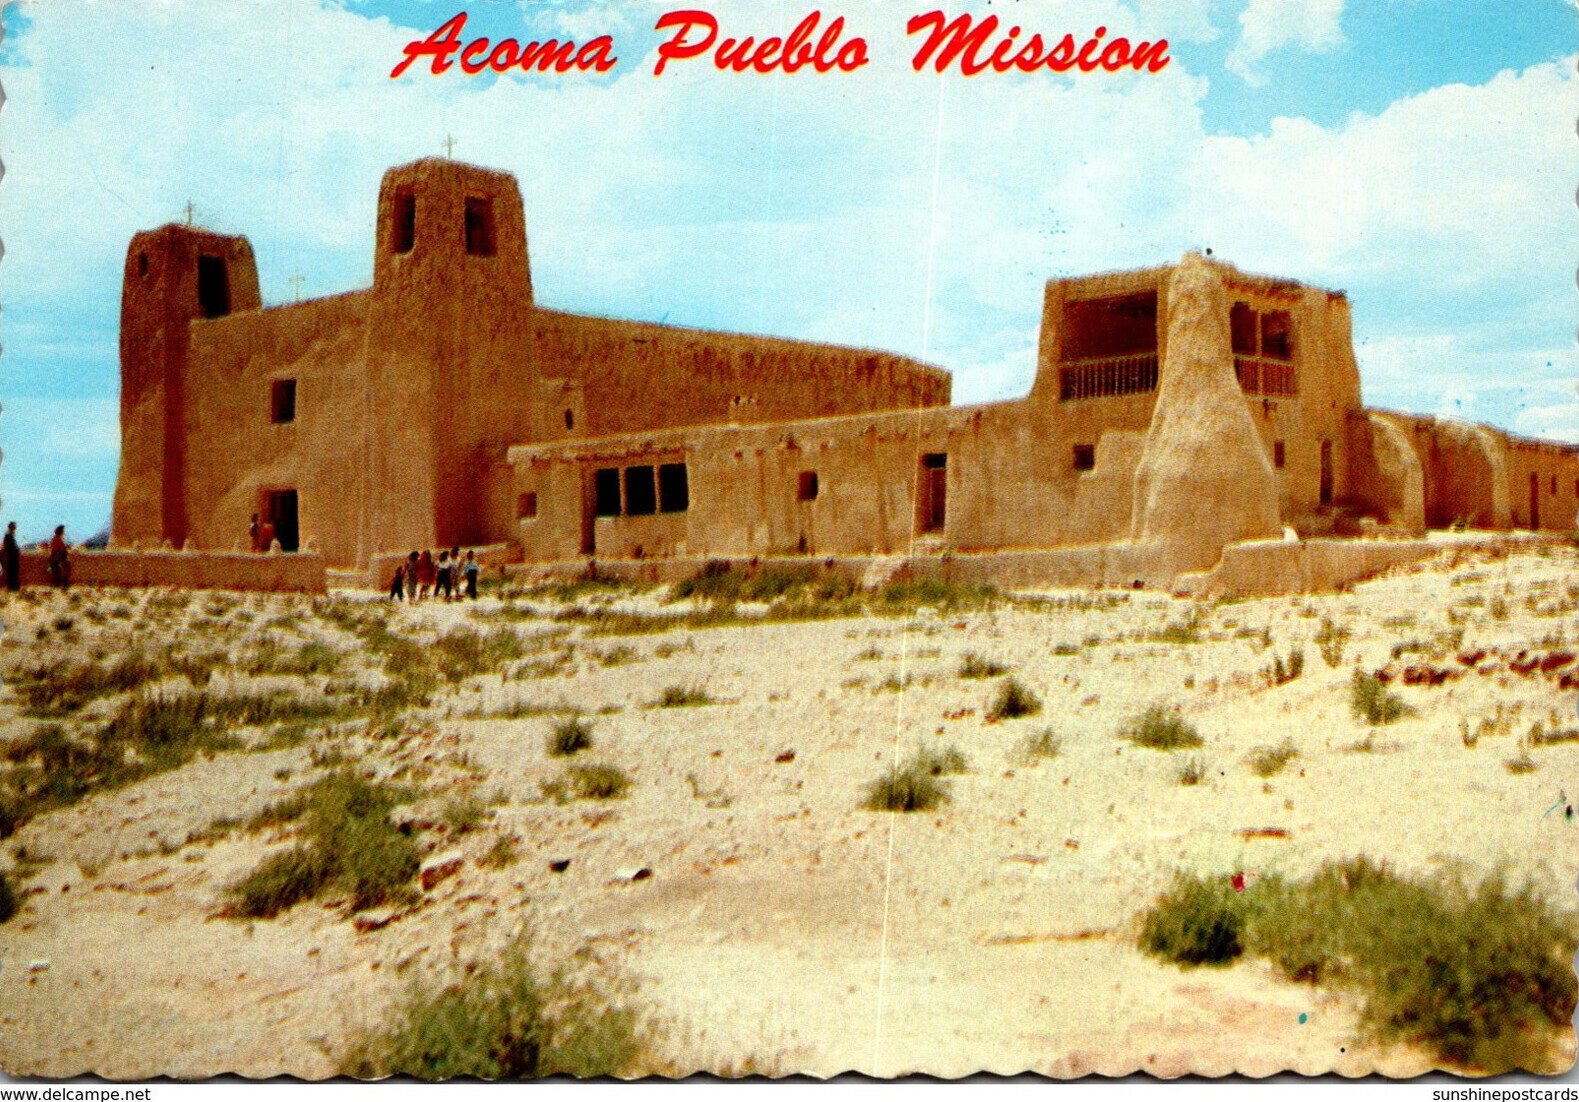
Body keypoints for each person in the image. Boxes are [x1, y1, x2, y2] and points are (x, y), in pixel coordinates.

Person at [47, 525, 70, 589]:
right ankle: (63, 585)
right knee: (64, 569)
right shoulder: (57, 540)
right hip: (57, 558)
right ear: (61, 532)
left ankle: (59, 585)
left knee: (57, 572)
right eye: (63, 532)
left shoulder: (55, 539)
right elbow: (59, 550)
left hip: (56, 558)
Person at [2, 522, 19, 591]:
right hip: (11, 557)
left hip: (13, 557)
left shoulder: (10, 536)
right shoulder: (8, 536)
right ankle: (12, 586)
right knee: (11, 572)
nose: (14, 530)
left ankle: (13, 586)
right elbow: (7, 547)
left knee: (14, 572)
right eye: (13, 528)